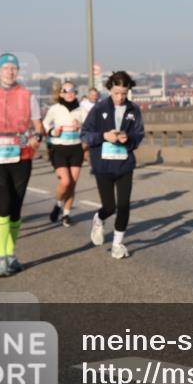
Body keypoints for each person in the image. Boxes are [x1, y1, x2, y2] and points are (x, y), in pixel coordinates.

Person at [0, 53, 45, 278]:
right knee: (2, 204)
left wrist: (37, 137)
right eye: (6, 68)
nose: (10, 72)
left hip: (21, 154)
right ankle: (1, 258)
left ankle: (10, 255)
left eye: (13, 68)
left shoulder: (27, 95)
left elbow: (38, 124)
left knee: (15, 208)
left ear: (18, 71)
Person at [82, 71, 145, 259]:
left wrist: (128, 139)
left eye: (124, 93)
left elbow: (139, 134)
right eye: (117, 93)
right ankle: (99, 219)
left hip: (124, 165)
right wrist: (104, 136)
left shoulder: (134, 110)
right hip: (103, 165)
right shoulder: (99, 108)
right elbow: (85, 134)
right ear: (110, 90)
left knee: (124, 206)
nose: (120, 97)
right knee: (110, 207)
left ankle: (117, 244)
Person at [43, 80, 87, 226]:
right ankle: (57, 204)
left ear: (75, 93)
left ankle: (66, 215)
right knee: (65, 182)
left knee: (72, 185)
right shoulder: (55, 108)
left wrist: (80, 125)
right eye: (66, 91)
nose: (69, 94)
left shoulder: (81, 110)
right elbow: (45, 123)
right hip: (59, 148)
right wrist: (52, 131)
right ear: (61, 93)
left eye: (72, 90)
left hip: (76, 149)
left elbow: (89, 127)